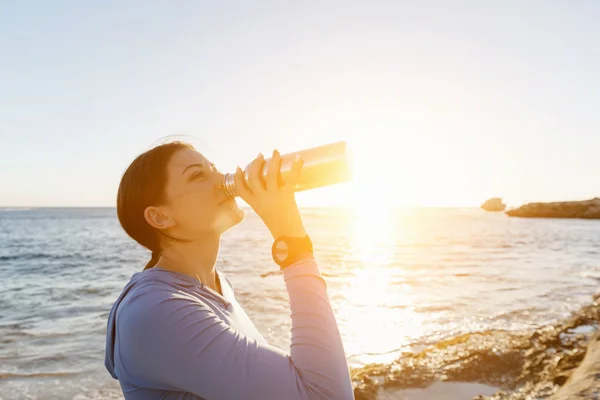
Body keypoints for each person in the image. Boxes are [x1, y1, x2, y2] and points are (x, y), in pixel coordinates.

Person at [104, 141, 354, 399]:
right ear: (160, 217)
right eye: (198, 175)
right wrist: (292, 242)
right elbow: (327, 395)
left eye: (213, 168)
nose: (222, 178)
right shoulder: (155, 311)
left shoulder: (217, 286)